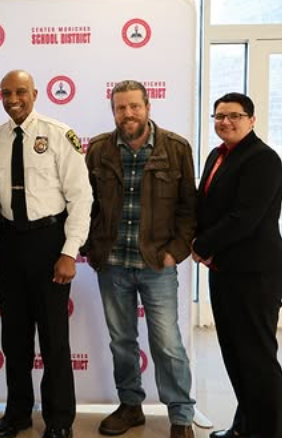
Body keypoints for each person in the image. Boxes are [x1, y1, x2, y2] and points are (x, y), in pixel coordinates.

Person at [84, 81, 196, 438]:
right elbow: (85, 204)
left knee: (167, 343)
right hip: (113, 264)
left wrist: (175, 251)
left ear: (148, 107)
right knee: (122, 341)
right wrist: (90, 247)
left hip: (157, 264)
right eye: (120, 108)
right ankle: (130, 406)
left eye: (134, 106)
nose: (128, 113)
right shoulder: (98, 149)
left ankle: (181, 416)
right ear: (113, 111)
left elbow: (189, 209)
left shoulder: (176, 148)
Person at [0, 70, 92, 438]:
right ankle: (17, 414)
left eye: (21, 92)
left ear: (35, 93)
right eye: (6, 93)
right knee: (14, 338)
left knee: (53, 339)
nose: (13, 99)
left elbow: (81, 198)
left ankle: (59, 421)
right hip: (10, 243)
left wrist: (69, 252)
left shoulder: (59, 134)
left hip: (49, 242)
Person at [192, 93, 282, 438]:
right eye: (219, 116)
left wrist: (201, 245)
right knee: (235, 355)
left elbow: (244, 218)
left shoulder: (263, 159)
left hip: (255, 275)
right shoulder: (218, 154)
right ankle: (245, 427)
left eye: (234, 116)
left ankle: (269, 431)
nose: (225, 122)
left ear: (252, 120)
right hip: (224, 272)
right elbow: (206, 205)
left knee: (257, 358)